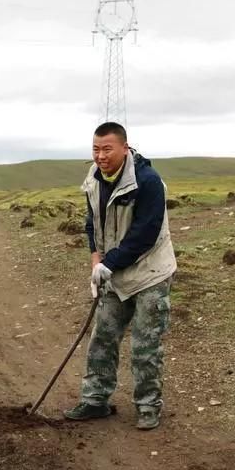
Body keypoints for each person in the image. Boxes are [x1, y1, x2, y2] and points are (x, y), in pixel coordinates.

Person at [64, 122, 177, 431]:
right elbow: (92, 224)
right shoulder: (93, 179)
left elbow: (145, 234)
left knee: (145, 343)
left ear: (125, 148)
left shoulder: (148, 181)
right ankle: (95, 400)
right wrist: (95, 263)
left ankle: (147, 405)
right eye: (95, 149)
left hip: (149, 272)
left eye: (107, 149)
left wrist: (108, 264)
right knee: (102, 336)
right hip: (113, 270)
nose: (100, 156)